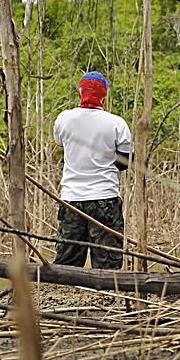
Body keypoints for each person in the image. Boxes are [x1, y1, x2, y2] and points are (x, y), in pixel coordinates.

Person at [53, 71, 131, 269]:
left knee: (67, 263)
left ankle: (64, 296)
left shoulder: (64, 119)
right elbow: (124, 163)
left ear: (80, 92)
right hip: (105, 198)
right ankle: (106, 298)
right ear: (104, 95)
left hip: (71, 199)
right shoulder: (117, 123)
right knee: (107, 263)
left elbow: (59, 142)